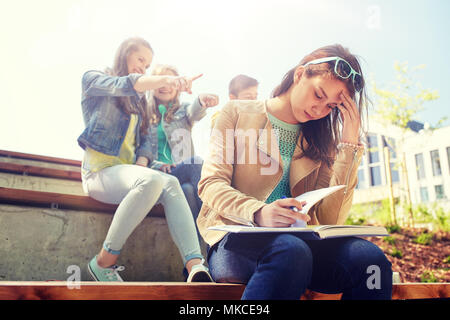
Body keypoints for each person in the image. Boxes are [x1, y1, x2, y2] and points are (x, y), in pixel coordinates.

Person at [198, 44, 392, 299]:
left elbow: (330, 217)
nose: (320, 110)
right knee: (290, 250)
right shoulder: (236, 113)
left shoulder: (321, 142)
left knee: (371, 260)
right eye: (318, 95)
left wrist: (349, 145)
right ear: (300, 74)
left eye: (332, 107)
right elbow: (210, 184)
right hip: (235, 242)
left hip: (303, 246)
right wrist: (258, 212)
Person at [78, 37, 212, 282]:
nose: (143, 67)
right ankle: (102, 263)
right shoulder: (93, 79)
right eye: (140, 59)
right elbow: (124, 84)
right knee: (152, 180)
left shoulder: (138, 104)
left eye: (147, 64)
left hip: (126, 174)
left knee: (170, 184)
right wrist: (165, 80)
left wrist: (143, 161)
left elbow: (145, 142)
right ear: (124, 54)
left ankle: (196, 266)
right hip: (99, 173)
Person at [146, 64, 219, 221]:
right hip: (158, 175)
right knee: (195, 162)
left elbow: (194, 112)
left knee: (187, 190)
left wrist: (200, 100)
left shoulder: (182, 111)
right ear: (152, 85)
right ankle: (218, 222)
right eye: (161, 81)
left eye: (171, 82)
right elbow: (139, 151)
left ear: (178, 87)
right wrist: (158, 165)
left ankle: (208, 243)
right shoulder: (143, 115)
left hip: (181, 176)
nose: (165, 87)